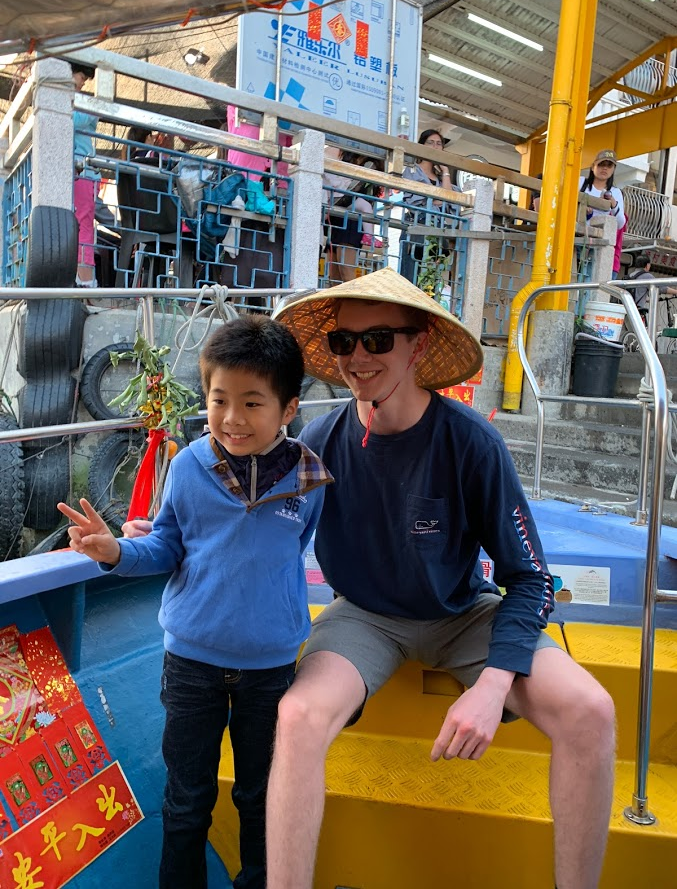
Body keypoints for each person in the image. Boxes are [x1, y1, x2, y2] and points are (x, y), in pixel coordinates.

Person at [263, 268, 616, 889]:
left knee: (592, 710)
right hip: (364, 616)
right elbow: (261, 530)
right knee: (296, 719)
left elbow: (530, 578)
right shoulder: (319, 441)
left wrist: (493, 683)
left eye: (378, 340)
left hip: (461, 614)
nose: (358, 358)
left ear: (418, 344)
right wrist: (155, 537)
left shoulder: (471, 442)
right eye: (344, 343)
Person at [57, 315, 333, 889]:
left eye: (253, 402)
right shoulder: (187, 467)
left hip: (270, 671)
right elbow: (164, 546)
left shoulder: (310, 481)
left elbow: (295, 551)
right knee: (187, 801)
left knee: (262, 801)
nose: (232, 418)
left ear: (288, 411)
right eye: (219, 399)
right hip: (191, 666)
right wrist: (113, 552)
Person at [400, 129, 457, 285]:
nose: (435, 147)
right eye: (430, 143)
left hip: (438, 233)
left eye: (439, 144)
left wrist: (445, 171)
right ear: (422, 145)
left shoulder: (441, 177)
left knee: (432, 282)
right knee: (410, 280)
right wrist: (438, 200)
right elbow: (414, 202)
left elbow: (448, 200)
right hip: (416, 230)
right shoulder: (411, 170)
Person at [323, 147, 383, 284]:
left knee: (346, 274)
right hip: (338, 217)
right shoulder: (346, 159)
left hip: (351, 221)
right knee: (334, 276)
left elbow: (356, 190)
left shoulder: (370, 165)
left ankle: (348, 304)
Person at [71, 62, 100, 288]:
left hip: (81, 171)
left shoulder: (84, 105)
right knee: (81, 225)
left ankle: (85, 279)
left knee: (81, 224)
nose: (82, 82)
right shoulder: (80, 104)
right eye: (81, 76)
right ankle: (84, 280)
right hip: (79, 171)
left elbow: (74, 121)